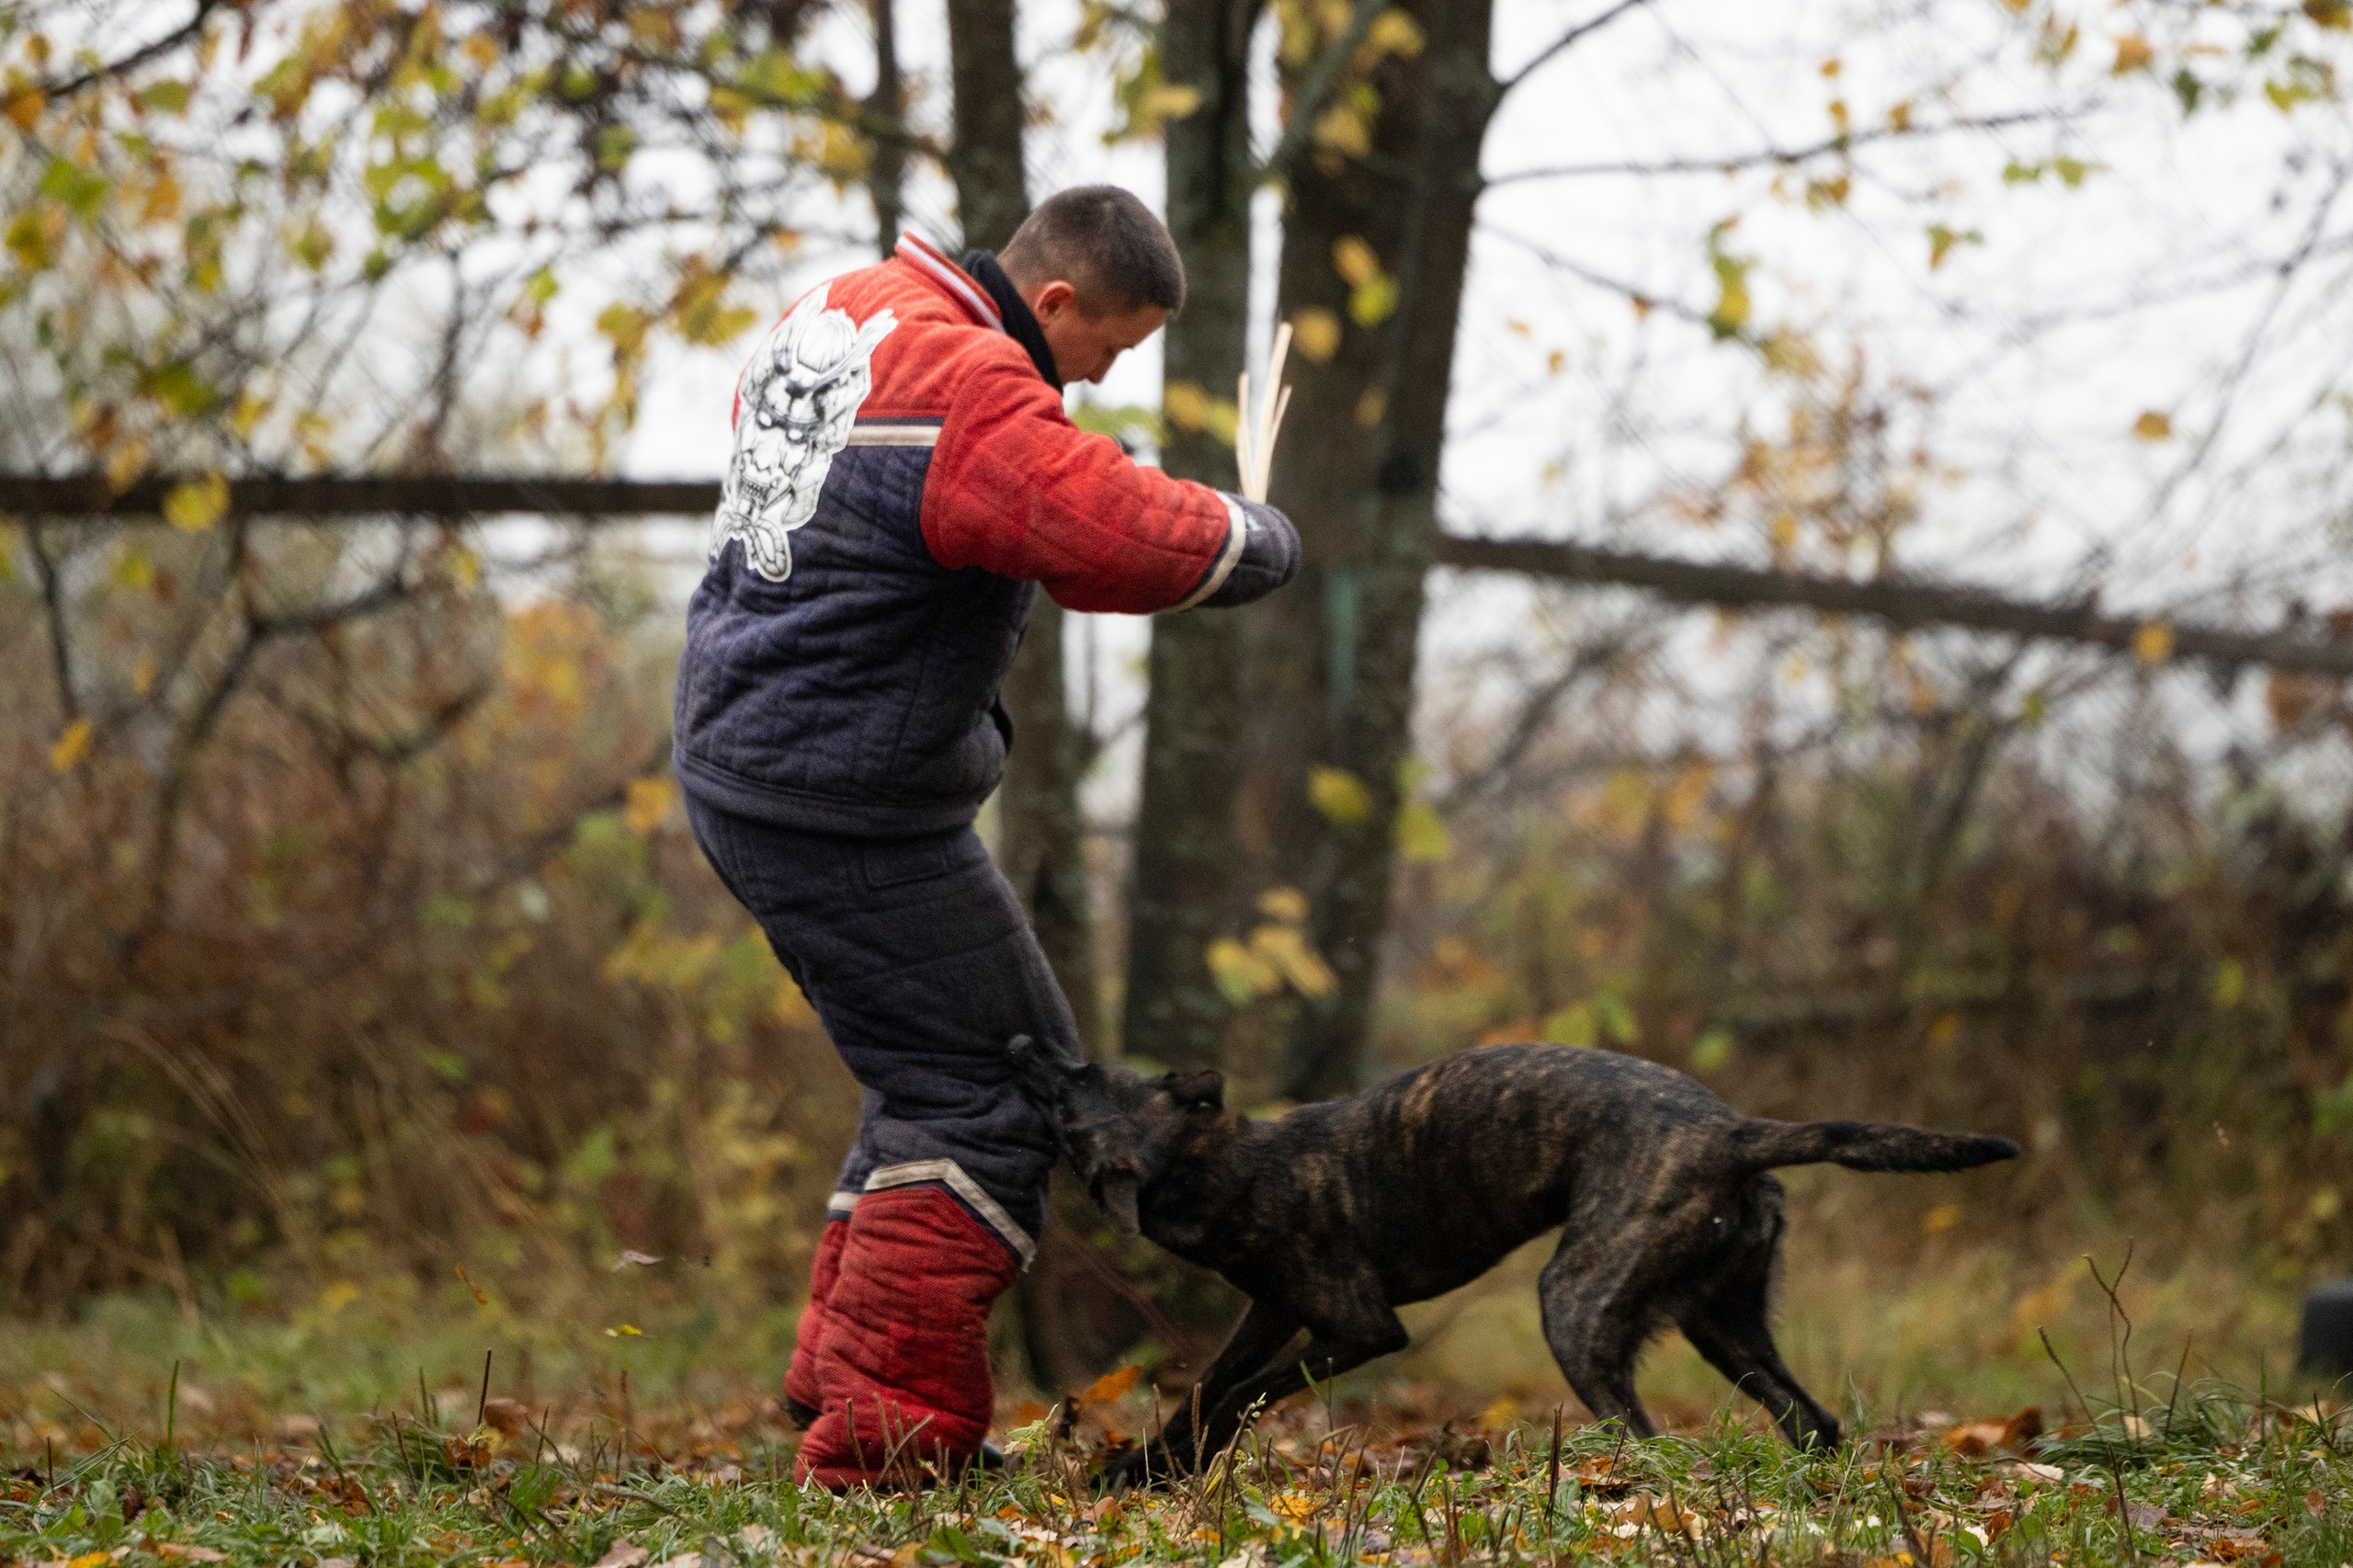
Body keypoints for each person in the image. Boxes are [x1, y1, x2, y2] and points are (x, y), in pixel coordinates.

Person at [672, 185, 1300, 1488]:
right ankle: (890, 1446)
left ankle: (839, 1386)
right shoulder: (970, 382)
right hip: (838, 800)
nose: (1097, 374)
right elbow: (1102, 530)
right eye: (1108, 348)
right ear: (1056, 299)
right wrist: (1255, 537)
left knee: (933, 1075)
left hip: (760, 762)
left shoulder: (843, 312)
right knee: (1003, 1091)